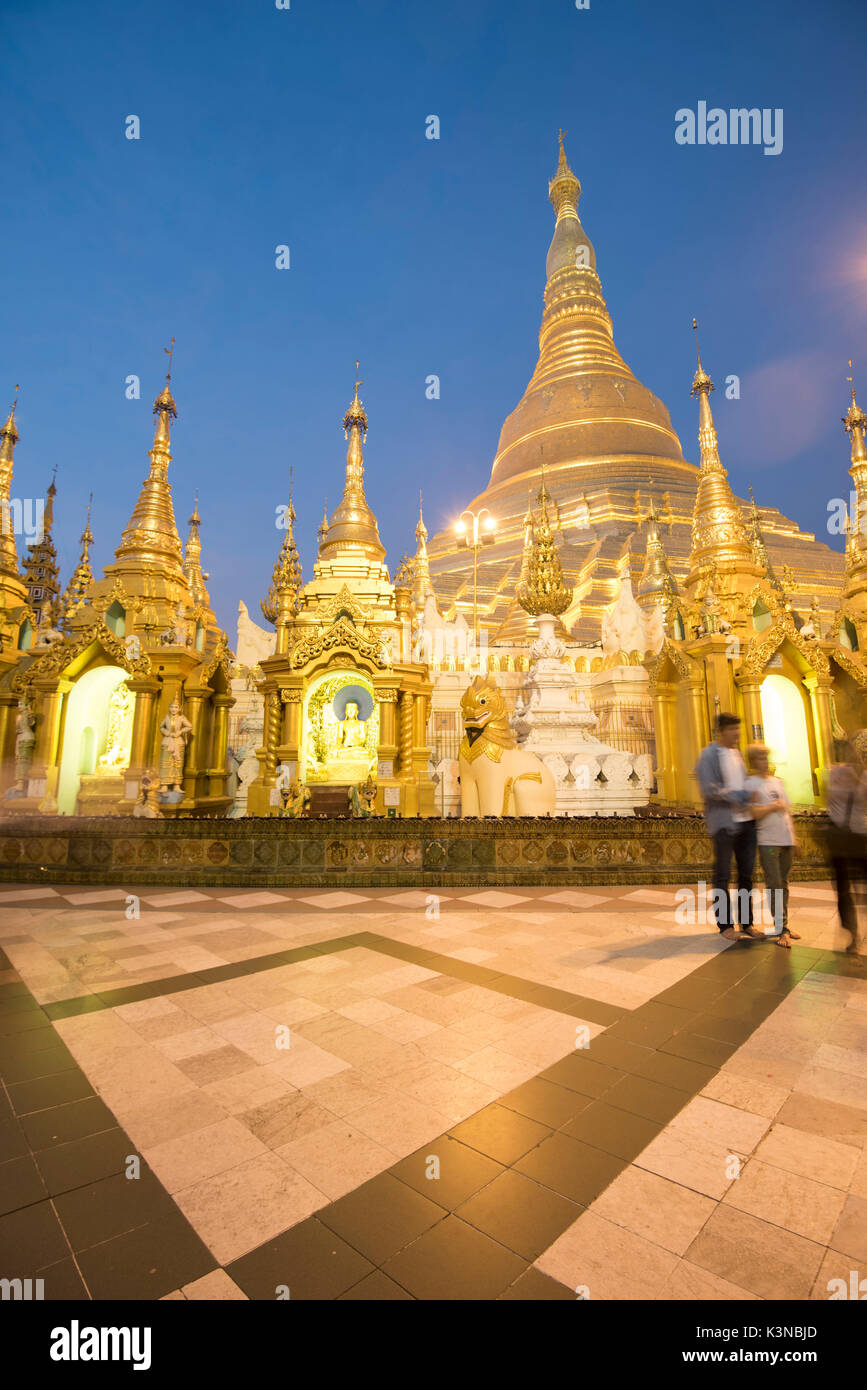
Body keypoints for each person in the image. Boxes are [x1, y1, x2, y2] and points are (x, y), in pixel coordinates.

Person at [695, 713, 763, 943]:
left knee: (746, 875)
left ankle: (747, 922)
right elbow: (710, 789)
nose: (737, 734)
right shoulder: (709, 755)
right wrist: (743, 795)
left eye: (738, 729)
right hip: (724, 823)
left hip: (746, 822)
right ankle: (724, 925)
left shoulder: (737, 754)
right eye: (733, 729)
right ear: (721, 731)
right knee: (723, 875)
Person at [745, 744, 801, 948]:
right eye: (760, 758)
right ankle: (780, 930)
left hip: (785, 839)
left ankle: (784, 925)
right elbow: (752, 813)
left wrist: (794, 838)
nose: (765, 762)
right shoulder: (750, 784)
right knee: (774, 884)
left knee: (783, 884)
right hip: (768, 842)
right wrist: (772, 806)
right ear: (753, 761)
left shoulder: (777, 782)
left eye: (766, 757)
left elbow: (786, 811)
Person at [826, 736, 867, 957]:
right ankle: (852, 933)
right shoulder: (835, 773)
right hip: (840, 838)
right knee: (843, 889)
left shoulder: (864, 776)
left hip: (861, 836)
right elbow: (832, 797)